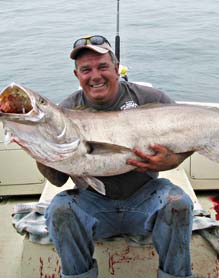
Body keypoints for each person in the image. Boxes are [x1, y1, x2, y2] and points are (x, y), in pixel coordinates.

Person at [37, 35, 194, 278]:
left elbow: (193, 130)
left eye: (102, 67)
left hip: (146, 197)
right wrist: (39, 149)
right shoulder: (65, 111)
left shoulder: (150, 99)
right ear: (76, 75)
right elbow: (57, 180)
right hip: (91, 202)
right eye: (86, 69)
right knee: (59, 210)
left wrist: (173, 160)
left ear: (117, 68)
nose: (95, 76)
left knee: (178, 203)